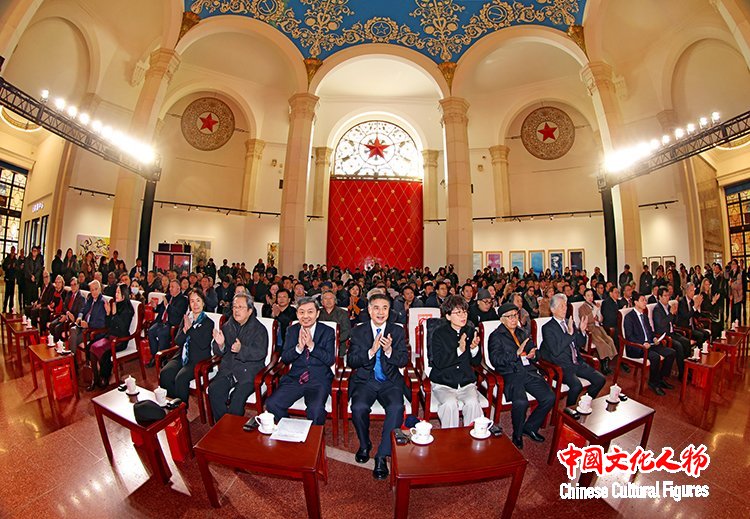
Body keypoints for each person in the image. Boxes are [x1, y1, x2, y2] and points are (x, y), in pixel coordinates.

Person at [347, 293, 408, 480]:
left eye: (385, 308)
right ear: (369, 310)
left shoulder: (397, 331)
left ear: (389, 311)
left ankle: (382, 455)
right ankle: (365, 444)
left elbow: (403, 360)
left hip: (389, 381)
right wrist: (371, 351)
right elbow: (351, 361)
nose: (380, 312)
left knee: (396, 407)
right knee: (358, 407)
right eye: (376, 308)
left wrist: (389, 351)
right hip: (365, 380)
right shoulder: (358, 331)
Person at [489, 302, 555, 449]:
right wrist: (516, 354)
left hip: (528, 371)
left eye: (515, 315)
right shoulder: (496, 336)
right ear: (502, 319)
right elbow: (495, 360)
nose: (514, 319)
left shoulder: (522, 332)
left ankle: (530, 427)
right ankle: (517, 434)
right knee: (521, 402)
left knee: (549, 397)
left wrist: (533, 354)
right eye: (510, 316)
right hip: (511, 373)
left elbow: (533, 349)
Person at [265, 297, 336, 426]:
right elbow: (285, 358)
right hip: (296, 377)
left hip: (318, 379)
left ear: (317, 314)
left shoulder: (327, 331)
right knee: (272, 404)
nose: (306, 316)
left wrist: (312, 345)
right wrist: (298, 348)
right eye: (302, 312)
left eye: (310, 312)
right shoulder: (292, 330)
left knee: (316, 410)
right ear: (297, 314)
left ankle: (314, 437)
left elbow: (330, 359)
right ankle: (291, 429)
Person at [207, 293, 268, 422]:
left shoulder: (259, 329)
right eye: (234, 307)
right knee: (214, 390)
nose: (236, 310)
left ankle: (231, 427)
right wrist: (221, 345)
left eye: (240, 307)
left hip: (249, 372)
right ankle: (223, 425)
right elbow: (218, 350)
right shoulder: (227, 326)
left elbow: (260, 353)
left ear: (250, 311)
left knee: (237, 400)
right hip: (229, 369)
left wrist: (242, 350)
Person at [540, 294, 606, 408]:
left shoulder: (569, 322)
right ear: (553, 309)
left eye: (565, 305)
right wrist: (570, 334)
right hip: (561, 366)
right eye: (561, 306)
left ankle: (583, 404)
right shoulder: (547, 328)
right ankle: (569, 412)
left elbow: (579, 344)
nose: (565, 308)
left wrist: (582, 331)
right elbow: (556, 351)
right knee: (576, 386)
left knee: (600, 380)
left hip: (576, 362)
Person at [428, 295, 483, 429]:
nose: (463, 316)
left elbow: (476, 362)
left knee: (473, 403)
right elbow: (438, 362)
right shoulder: (438, 334)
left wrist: (474, 349)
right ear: (448, 316)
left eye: (464, 311)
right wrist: (459, 350)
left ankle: (471, 437)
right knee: (450, 404)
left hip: (465, 382)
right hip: (443, 382)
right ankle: (449, 438)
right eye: (458, 312)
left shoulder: (470, 331)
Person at [160, 289, 215, 408]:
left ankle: (182, 410)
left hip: (198, 359)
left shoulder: (208, 322)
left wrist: (190, 330)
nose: (195, 304)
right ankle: (173, 405)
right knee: (165, 373)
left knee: (181, 378)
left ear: (203, 303)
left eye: (198, 300)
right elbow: (178, 341)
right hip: (182, 355)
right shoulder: (186, 319)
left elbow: (203, 344)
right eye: (192, 301)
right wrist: (185, 331)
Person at [623, 292, 677, 395]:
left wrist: (654, 338)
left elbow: (650, 332)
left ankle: (661, 379)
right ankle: (653, 383)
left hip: (649, 345)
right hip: (637, 348)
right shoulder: (629, 317)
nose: (645, 302)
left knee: (671, 352)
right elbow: (629, 336)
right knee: (655, 357)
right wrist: (642, 343)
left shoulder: (644, 316)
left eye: (645, 300)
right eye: (642, 300)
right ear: (636, 302)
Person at [90, 284, 135, 388]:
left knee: (105, 353)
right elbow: (108, 326)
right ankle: (95, 379)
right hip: (111, 336)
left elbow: (123, 328)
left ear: (124, 294)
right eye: (116, 292)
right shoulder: (116, 305)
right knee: (92, 347)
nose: (116, 294)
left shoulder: (128, 309)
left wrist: (114, 314)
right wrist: (108, 313)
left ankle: (104, 378)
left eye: (118, 292)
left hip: (120, 340)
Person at [146, 279, 188, 367]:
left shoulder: (183, 300)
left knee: (161, 333)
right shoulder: (168, 297)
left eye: (172, 287)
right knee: (150, 331)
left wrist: (168, 306)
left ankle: (162, 358)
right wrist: (155, 306)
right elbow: (160, 308)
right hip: (161, 322)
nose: (170, 289)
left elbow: (178, 314)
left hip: (172, 324)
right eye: (170, 287)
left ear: (178, 288)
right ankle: (154, 356)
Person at [652, 287, 691, 381]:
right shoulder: (657, 309)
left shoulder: (668, 307)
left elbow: (674, 322)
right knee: (679, 346)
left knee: (686, 342)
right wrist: (671, 314)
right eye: (665, 296)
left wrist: (675, 313)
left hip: (672, 333)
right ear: (660, 297)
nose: (667, 298)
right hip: (663, 335)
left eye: (668, 295)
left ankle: (687, 369)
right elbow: (661, 324)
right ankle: (682, 374)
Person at [578, 288, 618, 375]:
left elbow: (600, 319)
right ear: (584, 297)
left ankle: (607, 363)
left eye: (591, 295)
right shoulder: (582, 308)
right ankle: (604, 366)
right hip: (590, 329)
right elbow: (585, 320)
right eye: (588, 295)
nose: (590, 297)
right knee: (602, 343)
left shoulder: (594, 305)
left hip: (598, 328)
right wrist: (595, 311)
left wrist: (598, 316)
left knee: (609, 340)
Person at [49, 276, 85, 341]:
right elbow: (64, 306)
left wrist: (68, 316)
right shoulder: (69, 293)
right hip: (65, 315)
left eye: (74, 284)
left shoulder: (81, 297)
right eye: (71, 285)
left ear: (78, 285)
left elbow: (80, 313)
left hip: (72, 321)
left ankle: (60, 345)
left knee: (57, 328)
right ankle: (53, 344)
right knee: (51, 325)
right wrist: (67, 313)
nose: (73, 287)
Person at [318, 290, 351, 354]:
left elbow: (347, 331)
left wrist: (335, 340)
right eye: (326, 299)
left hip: (338, 344)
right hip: (320, 344)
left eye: (331, 298)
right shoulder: (317, 313)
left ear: (335, 301)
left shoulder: (343, 313)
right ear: (322, 302)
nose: (328, 301)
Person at [2, 246, 17, 312]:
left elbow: (17, 269)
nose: (13, 251)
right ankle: (4, 307)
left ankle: (11, 307)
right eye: (12, 250)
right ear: (11, 250)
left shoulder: (15, 260)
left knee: (12, 294)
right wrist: (7, 267)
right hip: (8, 278)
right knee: (6, 294)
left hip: (12, 279)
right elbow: (3, 267)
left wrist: (15, 267)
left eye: (14, 250)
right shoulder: (7, 259)